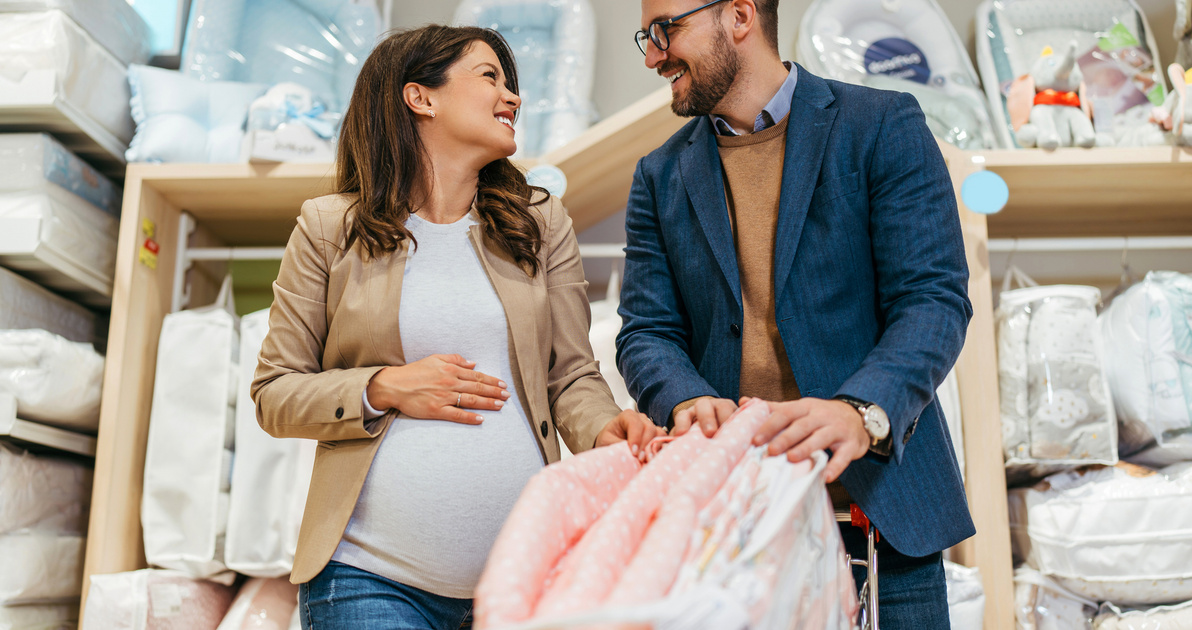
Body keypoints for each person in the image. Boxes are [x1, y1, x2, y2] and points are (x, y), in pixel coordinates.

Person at [251, 25, 662, 630]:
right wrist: (383, 386)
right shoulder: (327, 227)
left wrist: (607, 428)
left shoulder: (541, 221)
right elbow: (275, 393)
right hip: (368, 576)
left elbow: (571, 374)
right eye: (490, 77)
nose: (513, 97)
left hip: (528, 575)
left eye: (511, 83)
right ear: (421, 97)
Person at [616, 0, 975, 626]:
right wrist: (681, 398)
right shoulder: (658, 175)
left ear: (739, 16)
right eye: (644, 36)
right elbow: (647, 331)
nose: (652, 54)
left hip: (884, 527)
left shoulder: (882, 125)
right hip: (729, 533)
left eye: (665, 30)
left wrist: (862, 412)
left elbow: (933, 299)